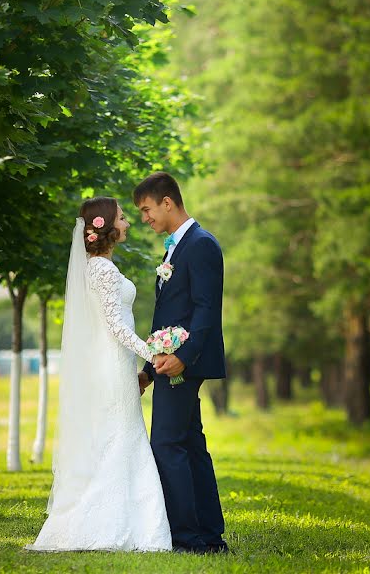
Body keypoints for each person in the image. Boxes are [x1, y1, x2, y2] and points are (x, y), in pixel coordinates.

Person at [28, 197, 171, 552]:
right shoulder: (103, 271)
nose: (128, 222)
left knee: (118, 436)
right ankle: (120, 526)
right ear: (105, 227)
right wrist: (155, 353)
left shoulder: (98, 268)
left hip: (116, 365)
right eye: (122, 218)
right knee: (121, 436)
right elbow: (116, 328)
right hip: (113, 364)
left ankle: (130, 522)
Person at [135, 172, 229, 554]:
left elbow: (207, 310)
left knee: (166, 444)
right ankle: (208, 537)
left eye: (147, 210)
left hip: (184, 364)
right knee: (190, 445)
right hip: (169, 364)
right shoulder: (174, 248)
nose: (145, 218)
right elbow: (168, 316)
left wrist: (182, 359)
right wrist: (147, 369)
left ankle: (188, 539)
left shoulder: (202, 244)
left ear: (167, 203)